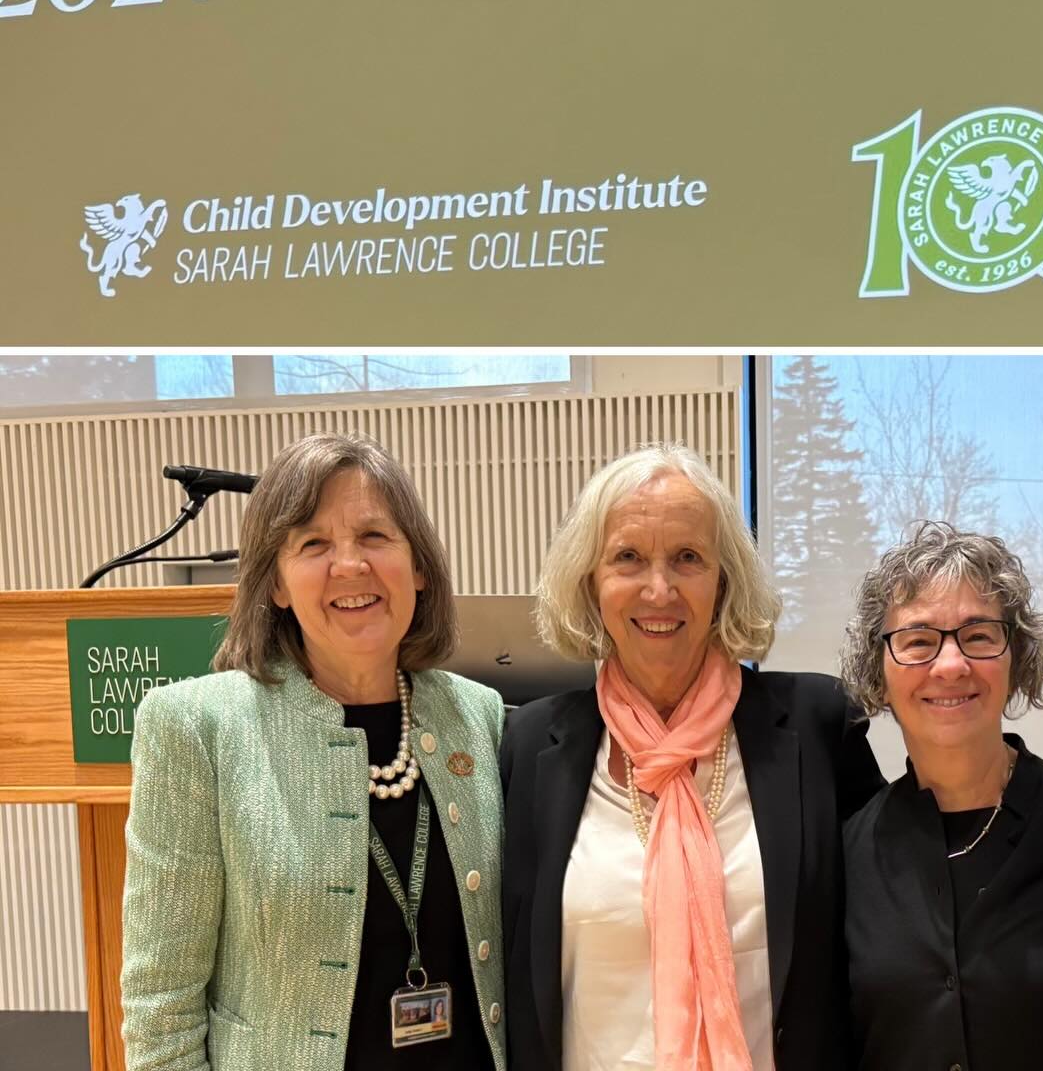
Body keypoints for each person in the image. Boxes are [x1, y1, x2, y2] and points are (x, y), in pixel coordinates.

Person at [121, 432, 507, 1071]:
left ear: (418, 566)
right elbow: (161, 1002)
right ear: (275, 584)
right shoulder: (196, 728)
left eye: (375, 537)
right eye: (313, 544)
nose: (349, 566)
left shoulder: (477, 716)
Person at [500, 443, 885, 1071]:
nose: (659, 588)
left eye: (688, 558)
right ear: (591, 583)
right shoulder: (532, 746)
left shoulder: (816, 727)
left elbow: (893, 926)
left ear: (723, 580)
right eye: (627, 557)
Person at [840, 524, 1043, 1071]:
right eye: (917, 641)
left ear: (1016, 658)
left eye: (979, 636)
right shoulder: (846, 856)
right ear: (879, 672)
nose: (951, 664)